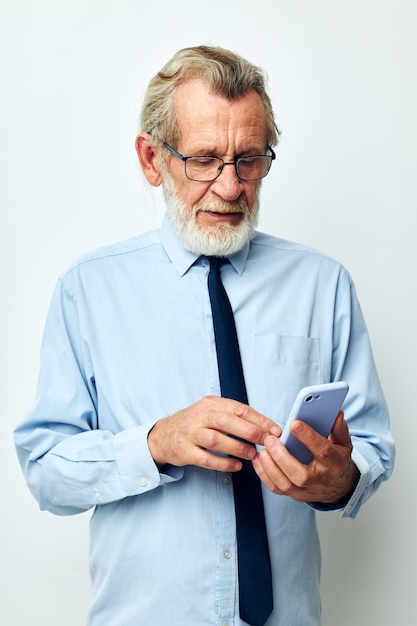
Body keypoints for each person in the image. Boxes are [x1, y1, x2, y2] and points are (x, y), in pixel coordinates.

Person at [14, 45, 395, 626]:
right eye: (204, 159)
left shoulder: (324, 285)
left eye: (248, 159)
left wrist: (340, 480)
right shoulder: (86, 291)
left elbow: (371, 450)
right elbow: (45, 470)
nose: (229, 186)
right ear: (151, 158)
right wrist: (154, 443)